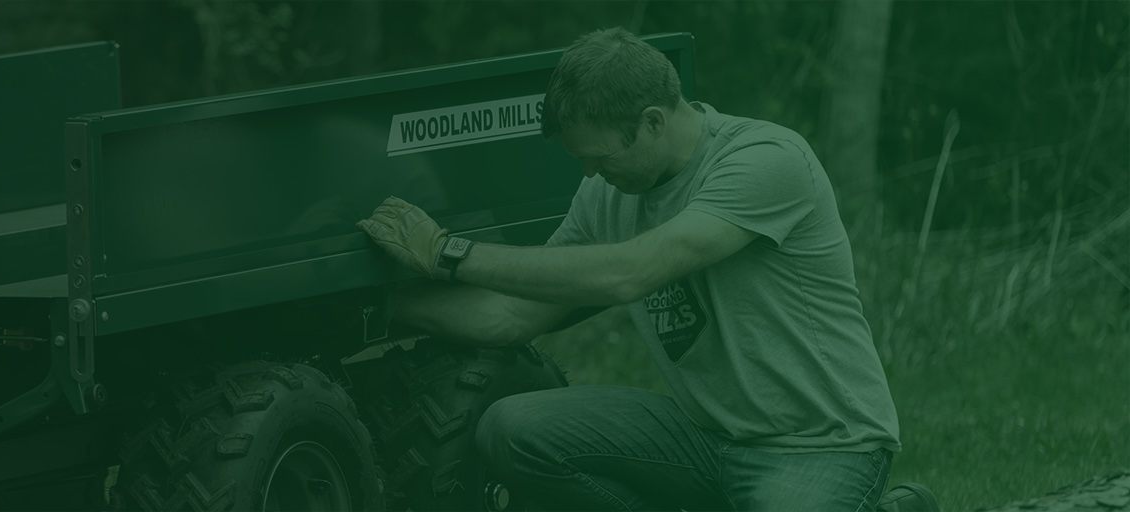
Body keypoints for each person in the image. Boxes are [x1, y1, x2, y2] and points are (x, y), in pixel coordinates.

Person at [354, 27, 938, 511]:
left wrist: (449, 252)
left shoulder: (765, 161)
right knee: (514, 427)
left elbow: (631, 272)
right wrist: (374, 311)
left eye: (598, 156)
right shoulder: (605, 195)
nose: (589, 174)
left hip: (821, 447)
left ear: (654, 121)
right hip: (704, 439)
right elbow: (511, 315)